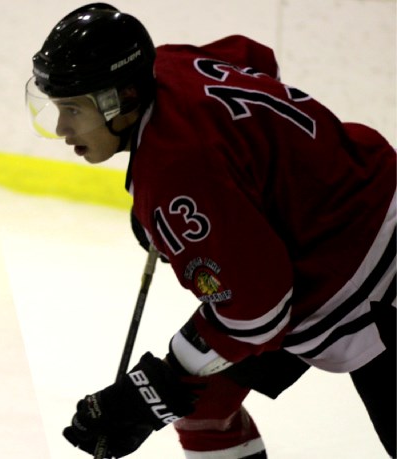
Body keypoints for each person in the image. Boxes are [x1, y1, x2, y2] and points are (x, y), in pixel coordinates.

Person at [26, 3, 395, 458]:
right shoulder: (165, 64)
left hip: (372, 275)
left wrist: (149, 392)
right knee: (205, 406)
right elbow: (253, 56)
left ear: (121, 99)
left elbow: (256, 311)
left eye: (73, 110)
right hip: (340, 235)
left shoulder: (176, 168)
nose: (62, 128)